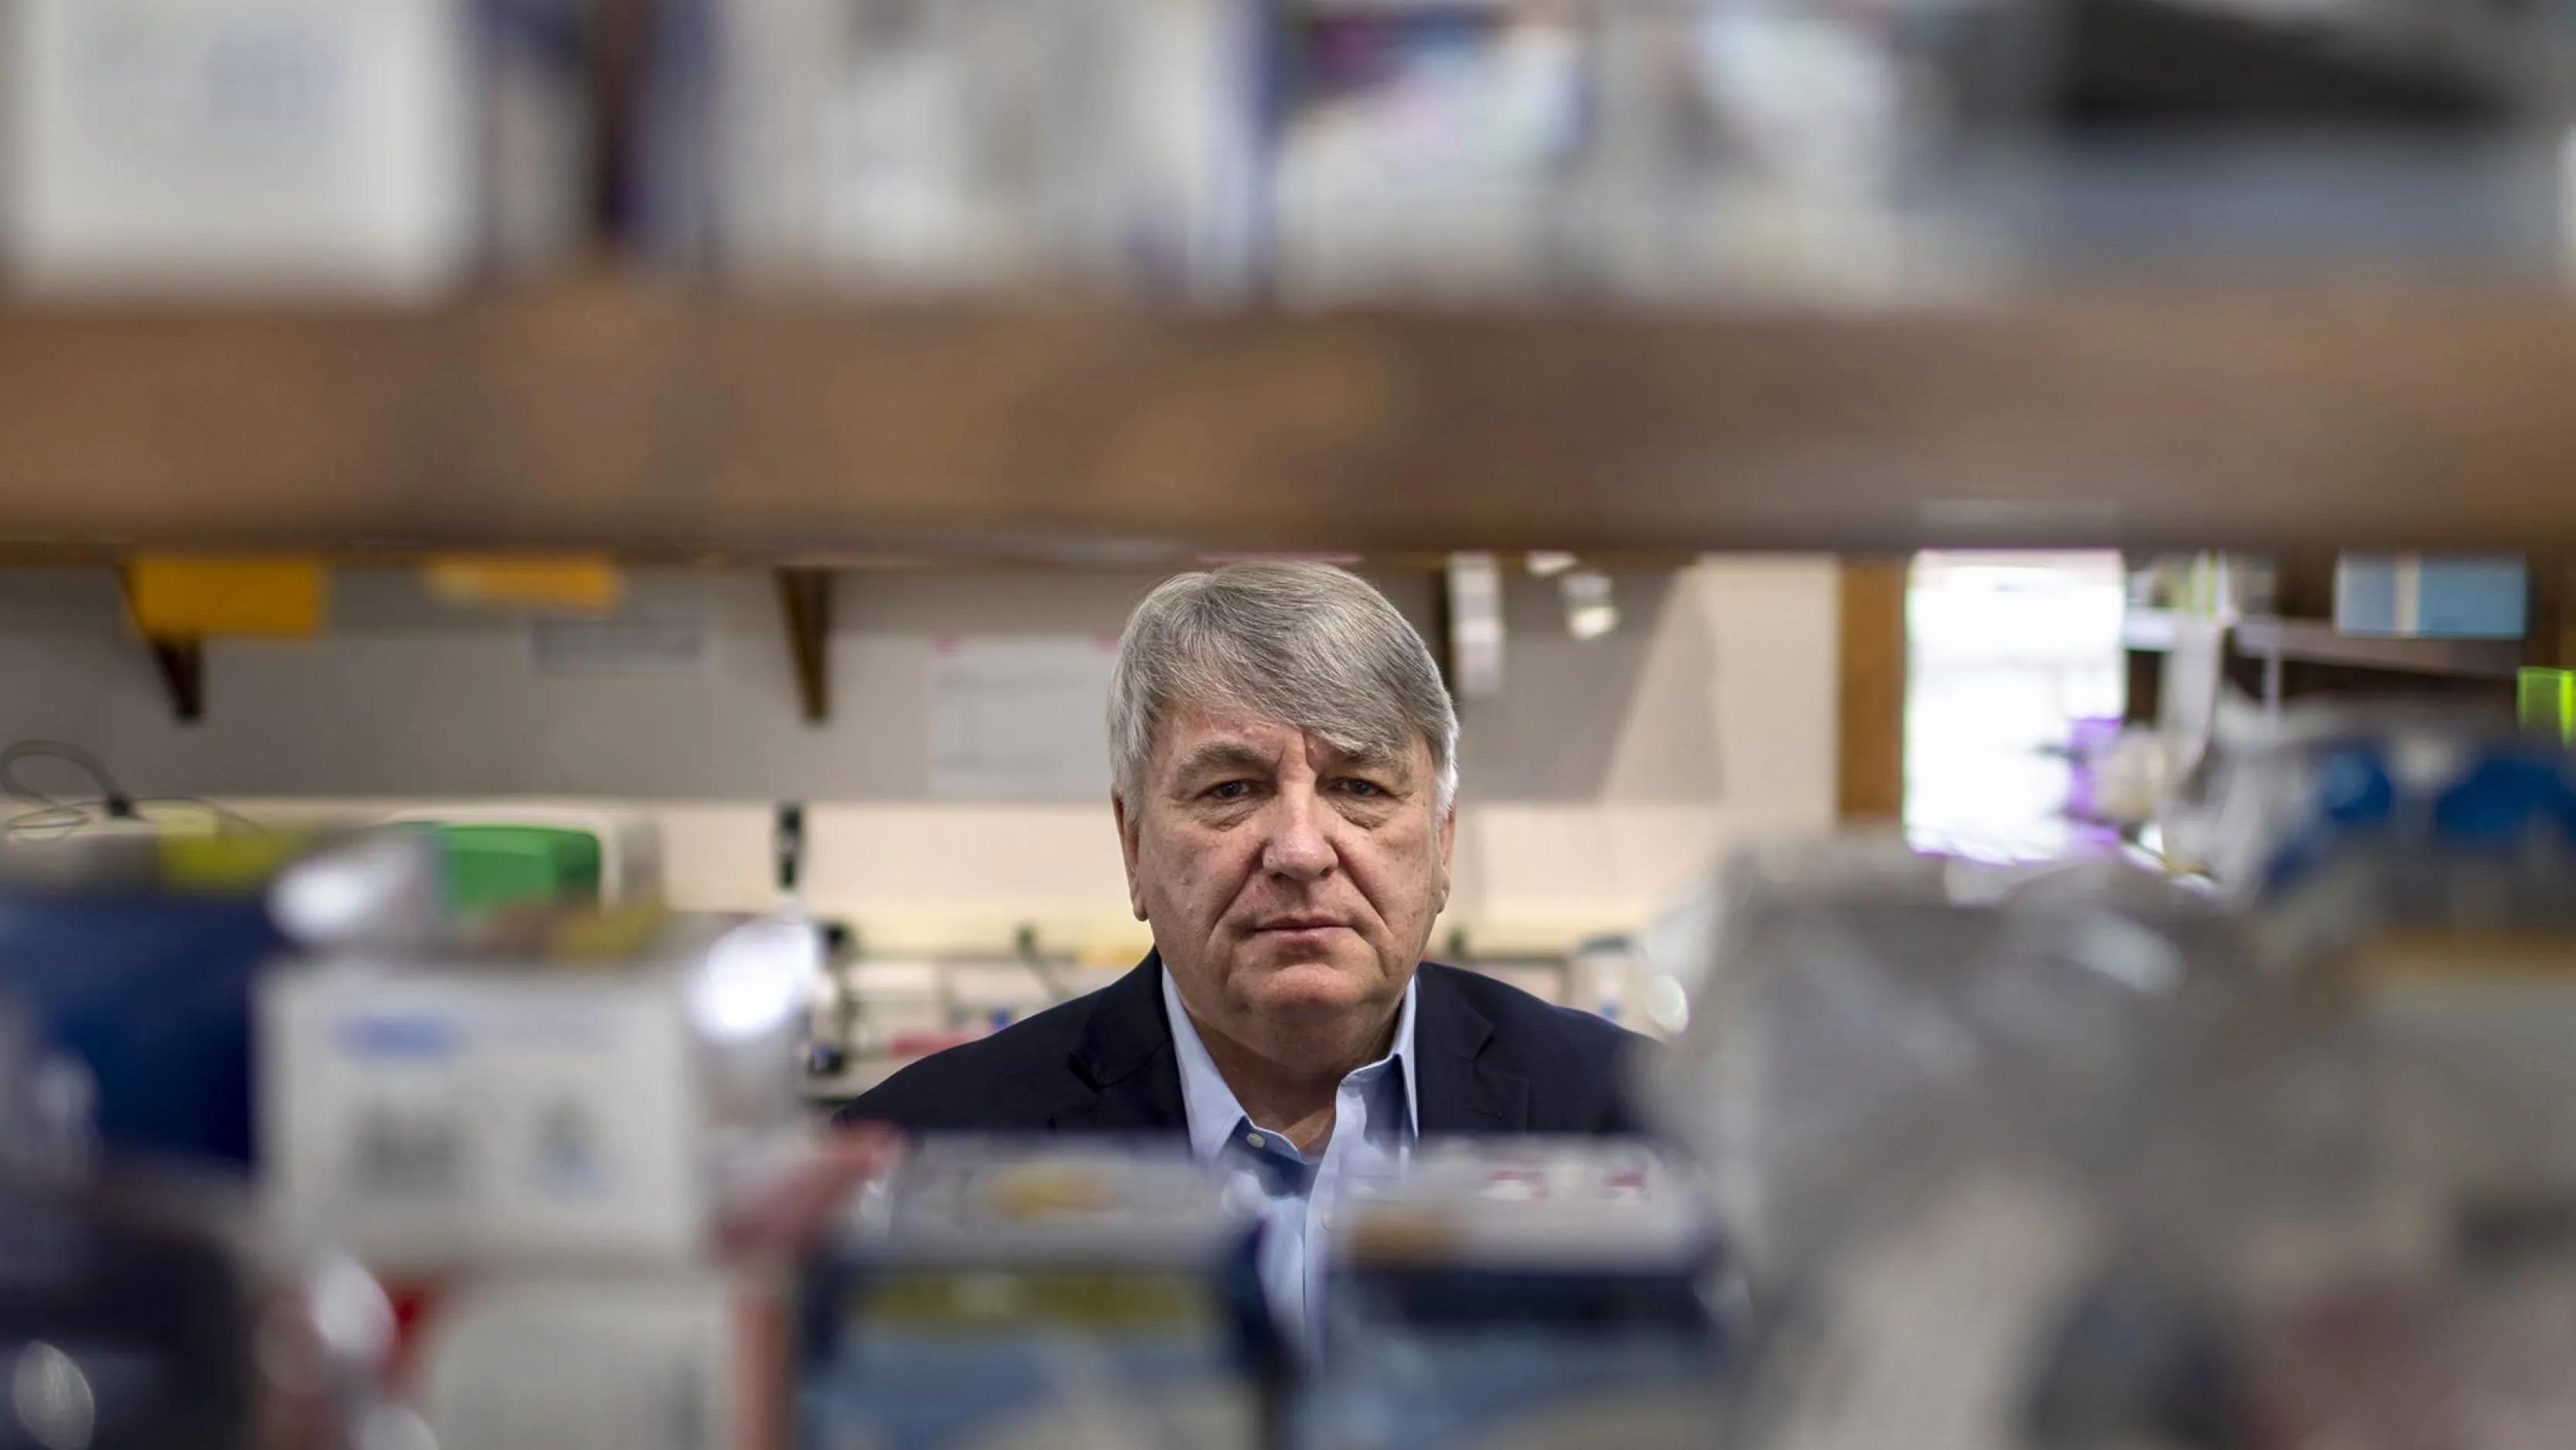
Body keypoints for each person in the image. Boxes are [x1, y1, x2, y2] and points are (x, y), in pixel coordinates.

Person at [837, 560, 1655, 1338]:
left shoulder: (1633, 1126)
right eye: (1231, 789)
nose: (1300, 849)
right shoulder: (915, 1158)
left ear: (1442, 843)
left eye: (1359, 787)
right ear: (1134, 847)